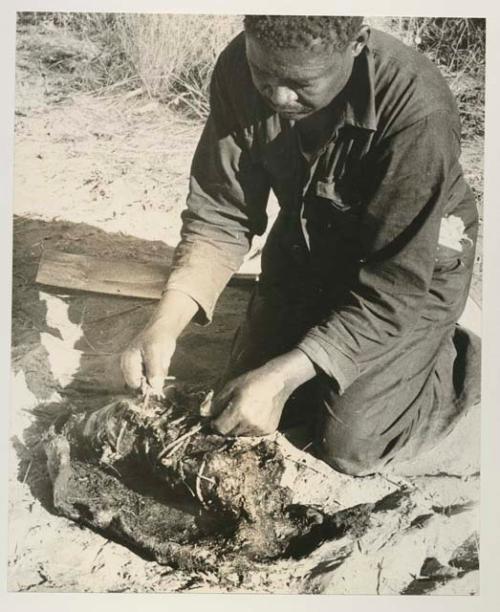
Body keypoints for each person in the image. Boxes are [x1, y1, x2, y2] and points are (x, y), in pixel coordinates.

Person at [120, 15, 481, 476]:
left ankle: (454, 357)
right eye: (264, 77)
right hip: (312, 239)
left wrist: (285, 373)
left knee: (350, 444)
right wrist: (164, 323)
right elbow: (220, 212)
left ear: (357, 45)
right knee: (237, 401)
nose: (277, 97)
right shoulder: (241, 65)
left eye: (299, 83)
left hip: (414, 264)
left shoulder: (418, 110)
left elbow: (394, 287)